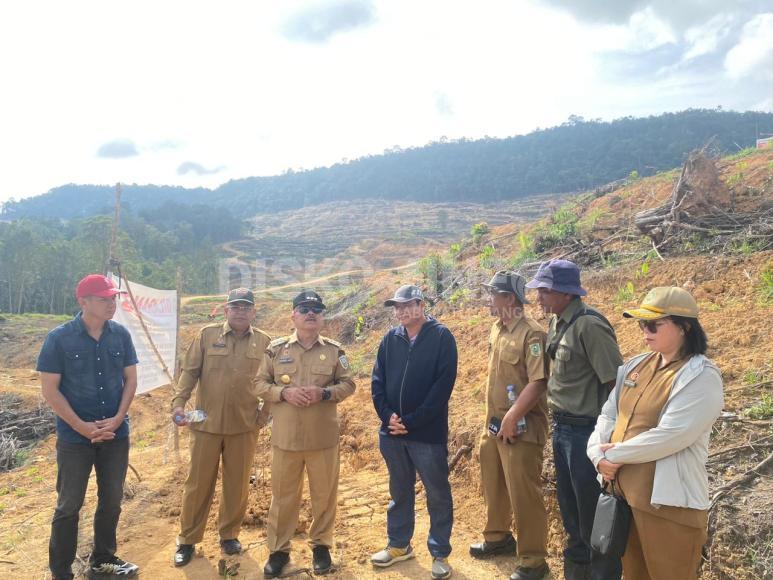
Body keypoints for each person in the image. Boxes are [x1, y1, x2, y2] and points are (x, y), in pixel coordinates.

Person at [587, 287, 723, 580]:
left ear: (684, 326)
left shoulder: (701, 375)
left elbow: (673, 434)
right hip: (627, 500)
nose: (644, 332)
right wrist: (596, 453)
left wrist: (614, 455)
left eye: (653, 325)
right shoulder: (636, 366)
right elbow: (610, 413)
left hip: (669, 509)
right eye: (641, 324)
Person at [525, 260, 623, 580]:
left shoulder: (589, 325)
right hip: (562, 429)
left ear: (566, 293)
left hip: (586, 433)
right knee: (571, 513)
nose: (539, 296)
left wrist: (610, 439)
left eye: (545, 290)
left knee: (593, 517)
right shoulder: (559, 322)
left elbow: (615, 386)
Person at [37, 274, 140, 579]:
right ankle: (61, 570)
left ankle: (103, 559)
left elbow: (130, 379)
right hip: (75, 439)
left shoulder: (120, 335)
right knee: (69, 504)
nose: (112, 304)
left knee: (112, 499)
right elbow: (50, 391)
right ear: (83, 302)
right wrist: (82, 427)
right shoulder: (59, 338)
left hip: (115, 434)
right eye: (104, 298)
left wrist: (119, 417)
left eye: (113, 298)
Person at [254, 290, 356, 578]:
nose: (311, 313)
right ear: (293, 315)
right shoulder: (275, 350)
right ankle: (278, 551)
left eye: (316, 309)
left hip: (322, 439)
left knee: (324, 496)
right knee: (283, 497)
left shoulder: (336, 351)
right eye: (304, 309)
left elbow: (349, 385)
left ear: (322, 317)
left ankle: (321, 547)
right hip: (286, 439)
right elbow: (258, 384)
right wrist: (283, 392)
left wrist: (324, 392)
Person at [171, 288, 272, 566]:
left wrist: (266, 414)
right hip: (206, 424)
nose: (240, 311)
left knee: (237, 484)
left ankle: (229, 534)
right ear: (226, 310)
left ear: (254, 312)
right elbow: (190, 372)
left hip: (244, 425)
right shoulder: (207, 335)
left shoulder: (264, 342)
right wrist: (179, 402)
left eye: (246, 307)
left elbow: (273, 382)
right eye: (235, 306)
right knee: (197, 484)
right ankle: (188, 540)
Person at [370, 284, 458, 580]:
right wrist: (388, 417)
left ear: (421, 304)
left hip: (426, 435)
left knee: (437, 494)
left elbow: (442, 388)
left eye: (406, 305)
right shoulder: (390, 339)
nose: (400, 311)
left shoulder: (442, 337)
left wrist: (413, 420)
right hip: (393, 433)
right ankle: (398, 545)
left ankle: (439, 552)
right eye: (396, 307)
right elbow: (377, 382)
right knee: (399, 491)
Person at [470, 272, 551, 580]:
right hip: (493, 424)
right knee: (493, 483)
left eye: (493, 293)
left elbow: (538, 381)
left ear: (510, 299)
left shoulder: (532, 334)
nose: (488, 299)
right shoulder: (497, 329)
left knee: (523, 494)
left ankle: (534, 561)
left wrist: (513, 416)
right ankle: (498, 537)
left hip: (520, 428)